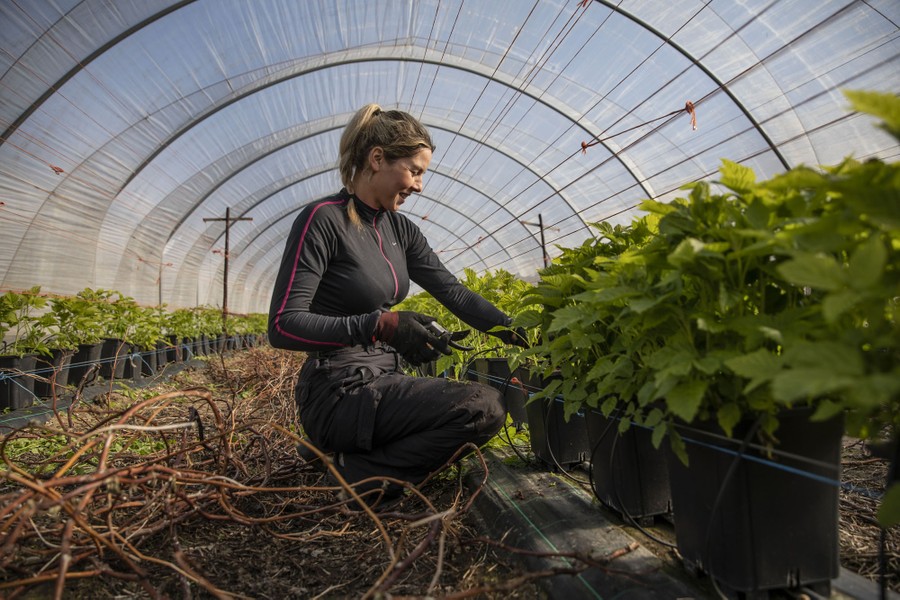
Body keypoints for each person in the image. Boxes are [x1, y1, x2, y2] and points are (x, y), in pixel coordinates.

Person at [268, 104, 525, 507]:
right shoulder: (322, 220)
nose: (419, 186)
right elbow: (283, 325)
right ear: (377, 159)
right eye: (414, 170)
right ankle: (357, 475)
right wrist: (380, 325)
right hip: (338, 389)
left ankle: (347, 459)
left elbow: (454, 293)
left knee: (472, 405)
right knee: (484, 407)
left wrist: (523, 331)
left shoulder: (401, 229)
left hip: (384, 383)